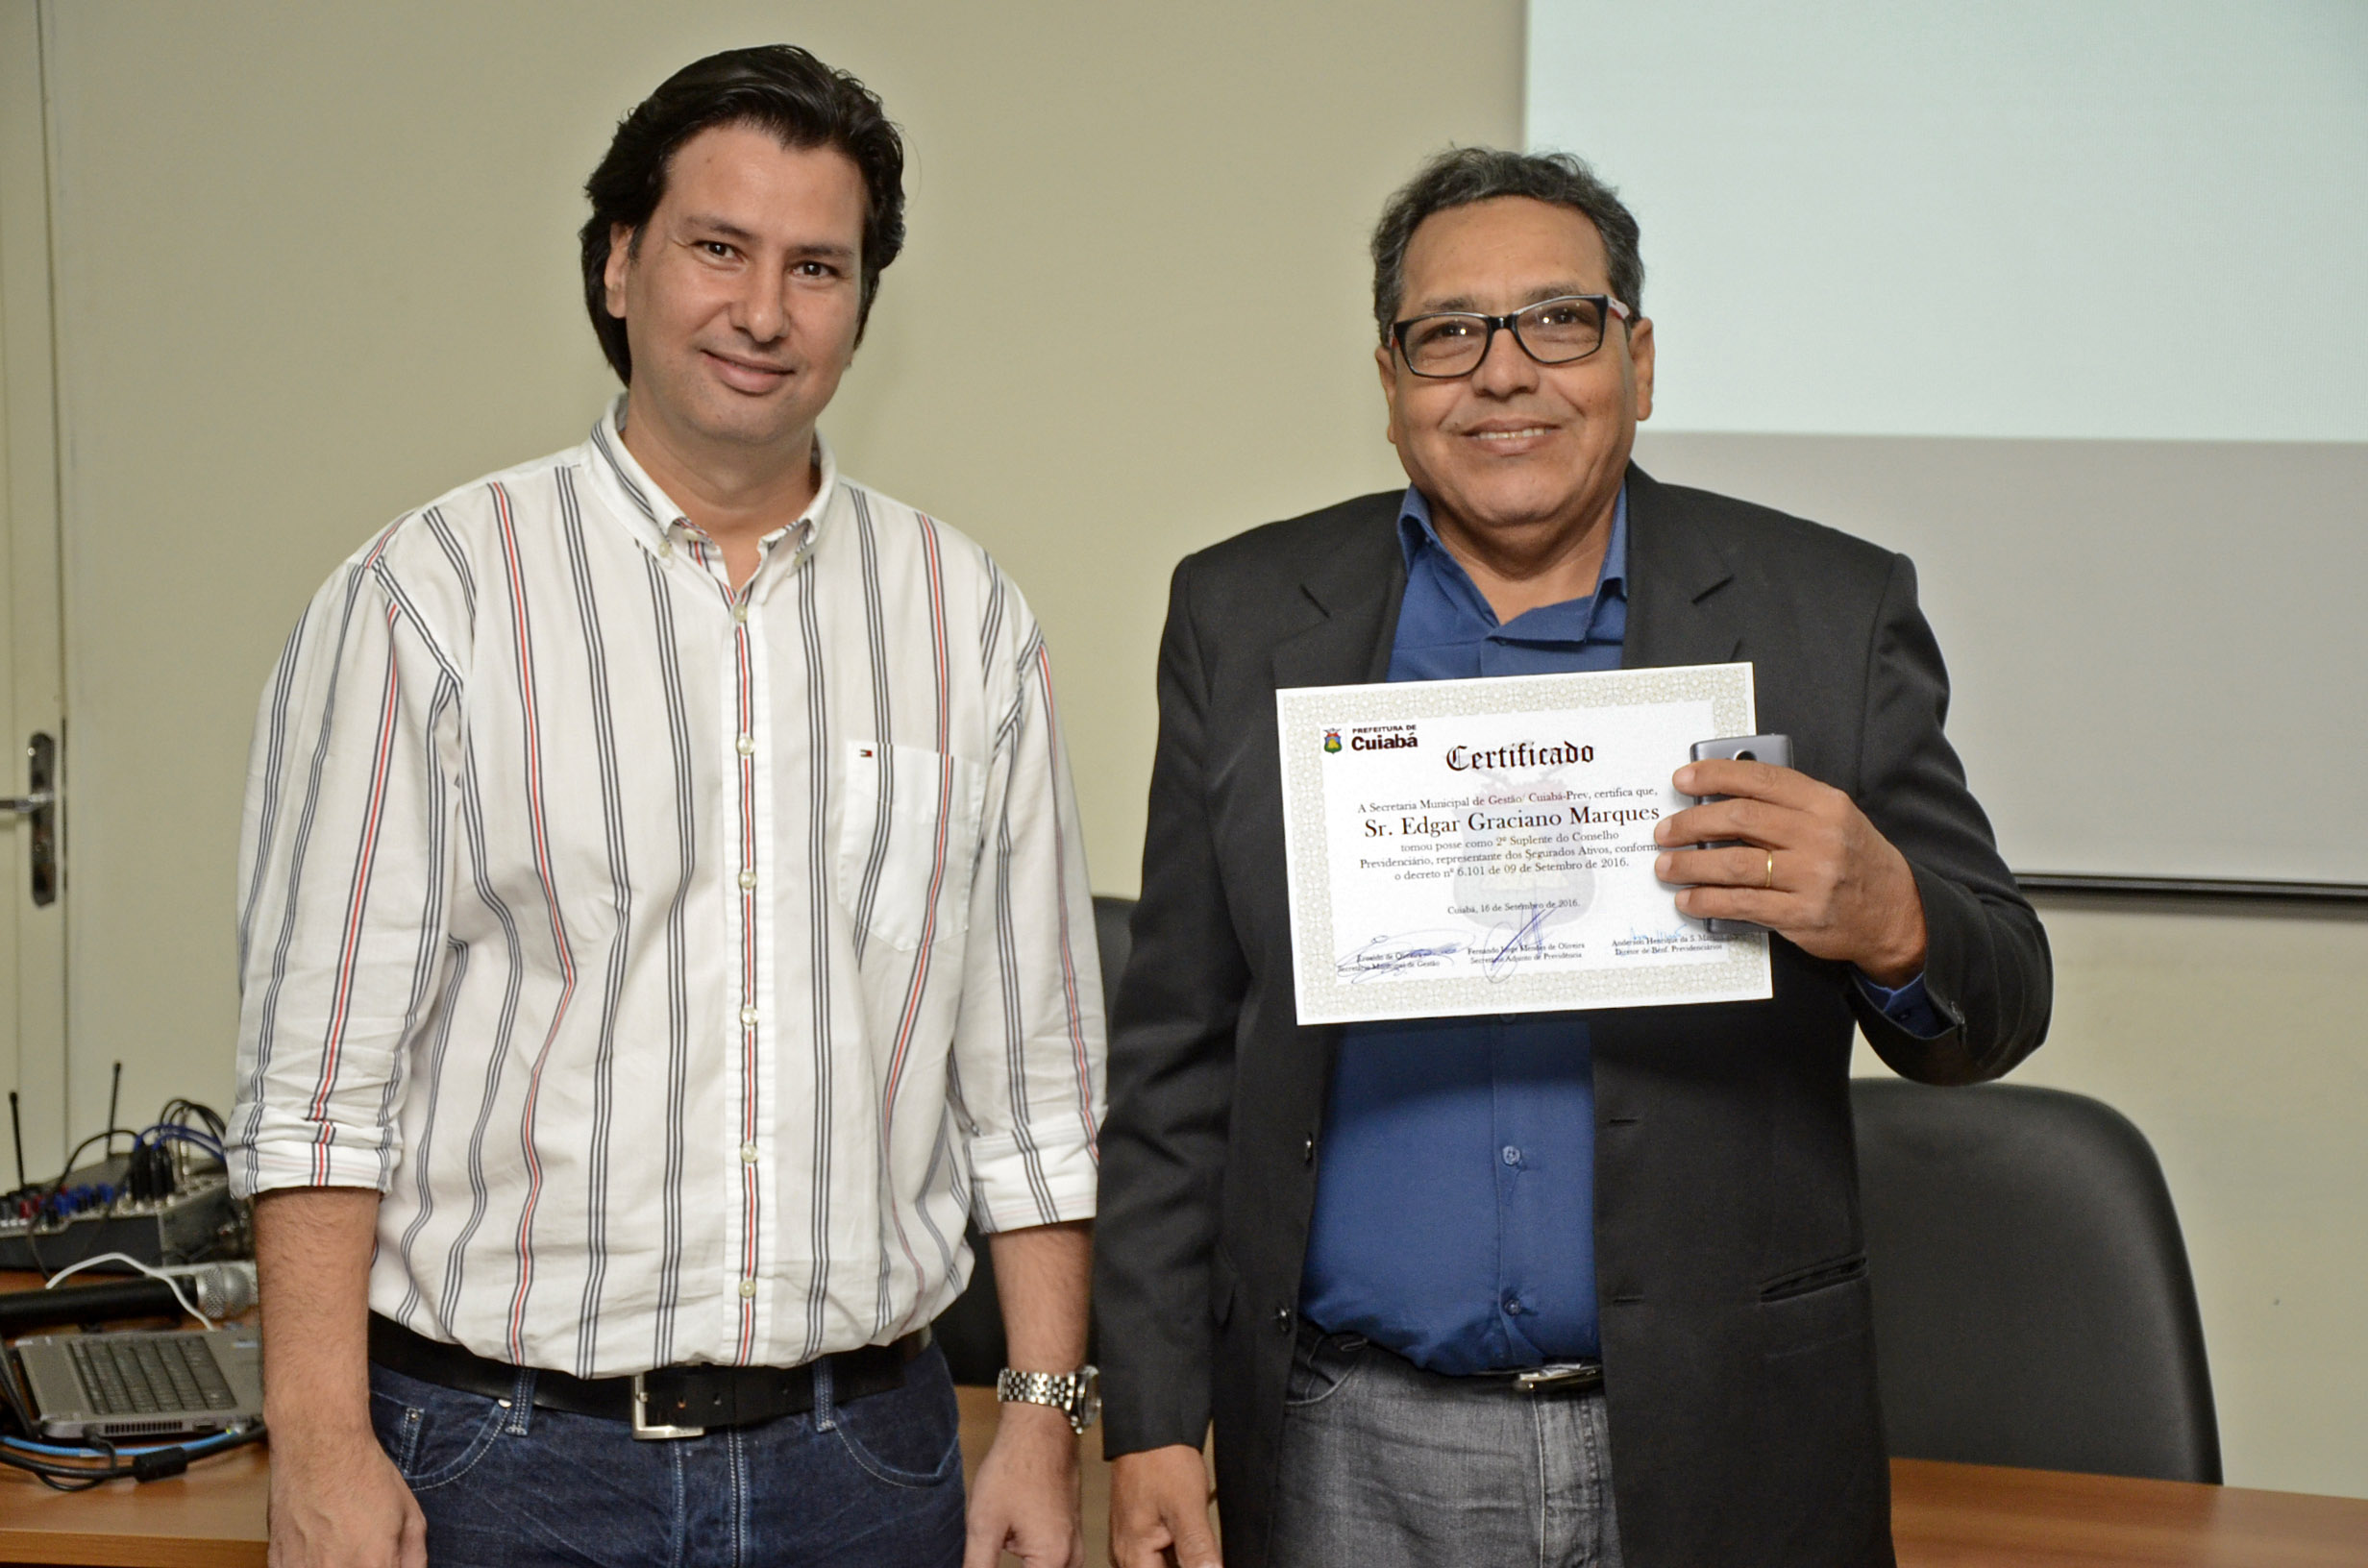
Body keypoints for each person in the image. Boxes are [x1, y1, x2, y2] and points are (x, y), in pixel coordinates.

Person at [1095, 147, 2052, 1568]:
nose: (1504, 373)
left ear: (1637, 361)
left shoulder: (1825, 611)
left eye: (1558, 321)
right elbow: (1176, 1056)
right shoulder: (1242, 616)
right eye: (1448, 333)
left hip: (1721, 1442)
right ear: (1390, 380)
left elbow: (2004, 997)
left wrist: (1893, 915)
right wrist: (1151, 1419)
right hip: (1348, 1442)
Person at [229, 46, 1104, 1568]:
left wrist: (1041, 1413)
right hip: (500, 1465)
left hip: (866, 1466)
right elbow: (317, 1082)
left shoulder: (965, 620)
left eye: (816, 267)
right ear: (620, 263)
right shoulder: (429, 600)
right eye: (718, 247)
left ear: (861, 308)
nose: (764, 311)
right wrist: (315, 1438)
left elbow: (1030, 1086)